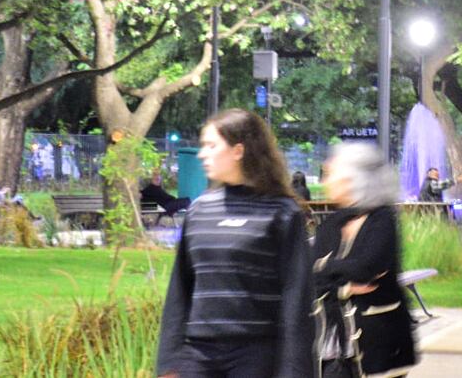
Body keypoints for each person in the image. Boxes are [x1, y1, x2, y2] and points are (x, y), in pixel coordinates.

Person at [156, 109, 313, 378]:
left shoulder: (283, 212)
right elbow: (179, 291)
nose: (202, 154)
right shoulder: (199, 211)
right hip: (198, 354)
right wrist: (168, 363)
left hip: (257, 355)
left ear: (238, 150)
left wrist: (294, 370)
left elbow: (297, 299)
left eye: (211, 145)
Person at [312, 142, 416, 378]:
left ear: (353, 179)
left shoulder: (382, 220)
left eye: (331, 174)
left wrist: (327, 269)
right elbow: (313, 276)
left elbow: (368, 267)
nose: (324, 182)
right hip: (334, 343)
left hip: (379, 343)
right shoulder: (330, 226)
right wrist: (345, 285)